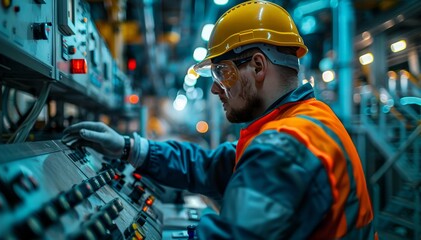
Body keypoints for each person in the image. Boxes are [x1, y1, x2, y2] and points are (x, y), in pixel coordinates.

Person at [63, 1, 376, 239]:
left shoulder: (283, 146)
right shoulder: (300, 123)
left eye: (222, 72)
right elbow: (208, 166)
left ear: (257, 67)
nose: (215, 87)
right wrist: (127, 147)